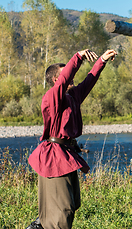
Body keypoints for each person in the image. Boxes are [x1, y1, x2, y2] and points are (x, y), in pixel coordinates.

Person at [26, 48, 117, 229]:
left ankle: (38, 226)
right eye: (67, 73)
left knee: (71, 204)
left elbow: (88, 82)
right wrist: (78, 57)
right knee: (62, 210)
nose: (72, 78)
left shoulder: (72, 96)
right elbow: (65, 80)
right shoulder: (52, 97)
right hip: (53, 157)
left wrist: (102, 61)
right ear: (55, 80)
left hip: (65, 155)